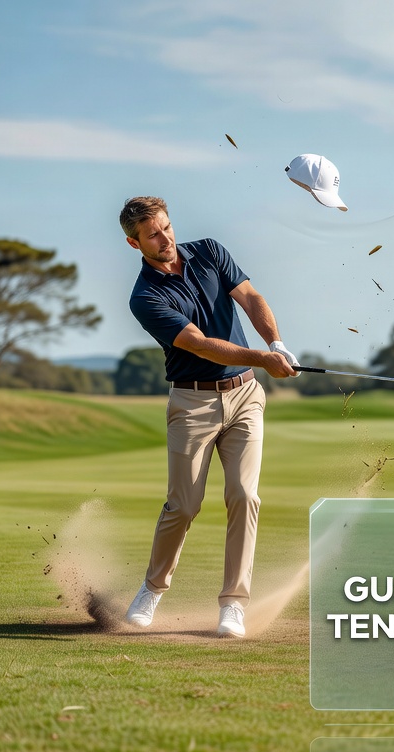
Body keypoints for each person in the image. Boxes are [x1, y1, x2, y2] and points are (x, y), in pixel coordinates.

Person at [119, 196, 300, 637]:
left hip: (245, 397)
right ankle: (152, 588)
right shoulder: (145, 297)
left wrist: (274, 344)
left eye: (166, 227)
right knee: (183, 505)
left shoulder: (210, 252)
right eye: (152, 235)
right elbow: (198, 343)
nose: (165, 239)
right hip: (192, 403)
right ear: (133, 242)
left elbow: (251, 297)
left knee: (244, 495)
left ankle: (234, 604)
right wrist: (260, 357)